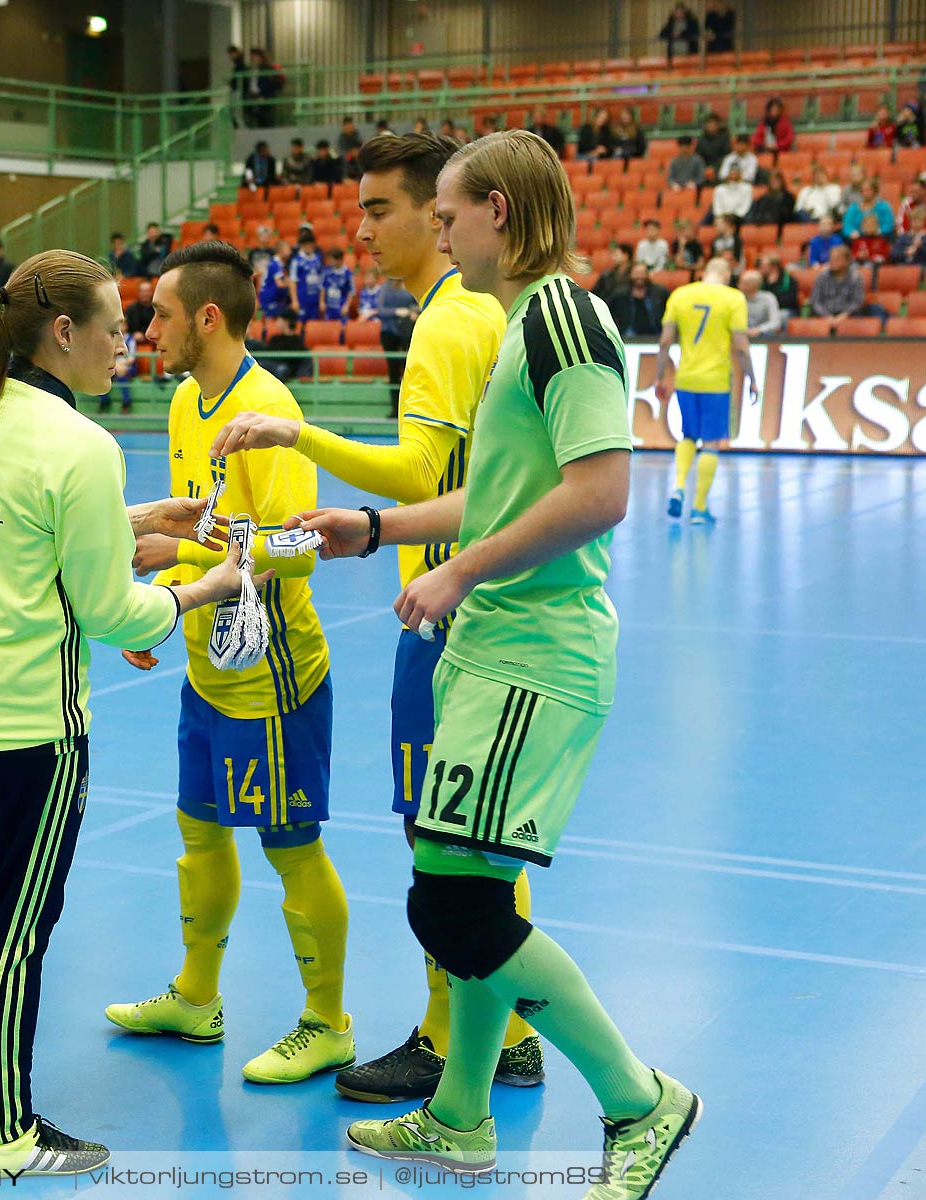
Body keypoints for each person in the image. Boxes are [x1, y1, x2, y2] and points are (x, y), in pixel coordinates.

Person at [325, 129, 700, 1200]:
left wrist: (458, 573)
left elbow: (600, 490)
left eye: (445, 217)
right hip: (496, 648)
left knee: (453, 910)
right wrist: (376, 526)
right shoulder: (521, 325)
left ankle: (639, 1101)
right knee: (470, 888)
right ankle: (459, 1117)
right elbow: (499, 494)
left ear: (498, 208)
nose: (437, 237)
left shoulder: (567, 317)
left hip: (537, 655)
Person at [0, 248, 248, 1175]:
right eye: (117, 328)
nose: (127, 343)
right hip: (24, 732)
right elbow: (110, 608)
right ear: (66, 333)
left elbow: (26, 537)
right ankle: (8, 1133)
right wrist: (210, 585)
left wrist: (146, 516)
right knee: (15, 929)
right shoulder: (84, 446)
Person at [210, 131, 544, 1105]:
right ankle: (510, 1025)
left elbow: (414, 476)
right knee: (482, 834)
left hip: (451, 618)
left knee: (435, 837)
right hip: (502, 606)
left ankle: (449, 1036)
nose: (360, 229)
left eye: (379, 209)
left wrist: (294, 430)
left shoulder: (446, 324)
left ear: (442, 220)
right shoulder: (488, 312)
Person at [105, 241, 355, 1087]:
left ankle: (328, 1022)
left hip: (274, 673)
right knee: (198, 829)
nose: (148, 328)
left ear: (207, 317)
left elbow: (298, 546)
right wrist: (165, 594)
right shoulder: (184, 401)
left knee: (291, 846)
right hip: (208, 666)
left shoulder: (265, 409)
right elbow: (209, 524)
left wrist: (178, 560)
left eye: (161, 314)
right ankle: (197, 996)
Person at [658, 258, 755, 524]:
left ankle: (678, 486)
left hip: (686, 378)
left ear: (704, 272)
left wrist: (659, 377)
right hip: (715, 381)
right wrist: (752, 378)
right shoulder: (733, 299)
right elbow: (741, 346)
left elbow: (665, 341)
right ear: (725, 274)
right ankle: (699, 508)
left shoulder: (680, 295)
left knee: (688, 435)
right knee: (711, 442)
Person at [608, 263, 670, 337]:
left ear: (648, 275)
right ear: (630, 275)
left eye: (642, 273)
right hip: (627, 337)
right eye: (636, 273)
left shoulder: (661, 292)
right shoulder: (619, 294)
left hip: (656, 335)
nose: (639, 276)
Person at [811, 242, 867, 321]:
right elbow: (815, 302)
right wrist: (827, 317)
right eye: (831, 258)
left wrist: (844, 315)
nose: (832, 261)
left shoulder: (856, 278)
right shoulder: (821, 277)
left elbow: (857, 302)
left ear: (847, 261)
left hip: (848, 317)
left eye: (837, 259)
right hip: (824, 316)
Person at [262, 308, 310, 381]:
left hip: (286, 371)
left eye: (279, 320)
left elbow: (297, 362)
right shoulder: (274, 339)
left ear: (286, 322)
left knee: (282, 370)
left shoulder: (297, 341)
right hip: (272, 367)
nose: (277, 323)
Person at [288, 229, 326, 320]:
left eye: (311, 244)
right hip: (302, 299)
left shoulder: (318, 259)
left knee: (314, 325)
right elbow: (293, 282)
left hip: (315, 299)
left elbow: (322, 281)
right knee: (301, 324)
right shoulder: (296, 261)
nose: (309, 246)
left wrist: (322, 301)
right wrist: (294, 301)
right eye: (306, 244)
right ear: (301, 245)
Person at [740, 268, 784, 337]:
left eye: (743, 283)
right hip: (743, 333)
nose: (739, 285)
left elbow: (776, 322)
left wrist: (759, 330)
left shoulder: (768, 297)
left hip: (764, 335)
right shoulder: (737, 298)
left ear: (753, 285)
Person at [246, 47, 284, 127]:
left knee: (266, 122)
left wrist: (263, 96)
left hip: (265, 99)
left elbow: (268, 84)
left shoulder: (266, 68)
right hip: (258, 98)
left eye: (254, 56)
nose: (252, 58)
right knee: (261, 121)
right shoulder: (256, 69)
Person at [321, 246, 356, 321]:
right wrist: (322, 302)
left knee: (342, 329)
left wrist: (346, 306)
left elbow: (352, 291)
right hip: (329, 308)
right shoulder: (327, 271)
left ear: (339, 260)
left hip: (341, 307)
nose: (329, 261)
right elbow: (323, 287)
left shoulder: (348, 273)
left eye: (331, 259)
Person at [255, 244, 289, 319]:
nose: (290, 252)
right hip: (269, 297)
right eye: (287, 249)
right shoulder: (275, 264)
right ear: (281, 251)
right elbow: (279, 284)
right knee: (270, 321)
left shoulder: (277, 263)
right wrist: (292, 284)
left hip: (271, 296)